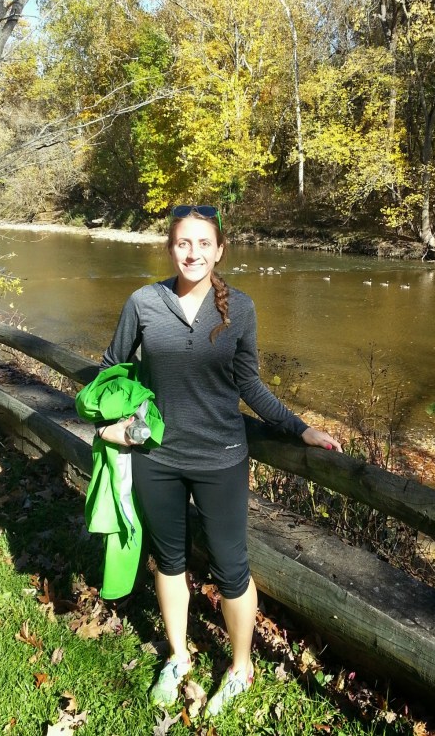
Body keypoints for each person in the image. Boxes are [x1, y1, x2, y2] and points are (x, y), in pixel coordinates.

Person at [96, 204, 343, 718]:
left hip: (222, 458)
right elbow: (111, 370)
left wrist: (302, 428)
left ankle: (240, 666)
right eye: (183, 243)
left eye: (203, 244)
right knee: (170, 561)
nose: (193, 253)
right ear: (170, 248)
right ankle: (180, 656)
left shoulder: (241, 310)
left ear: (220, 250)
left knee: (232, 569)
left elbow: (250, 384)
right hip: (156, 457)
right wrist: (112, 424)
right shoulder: (143, 302)